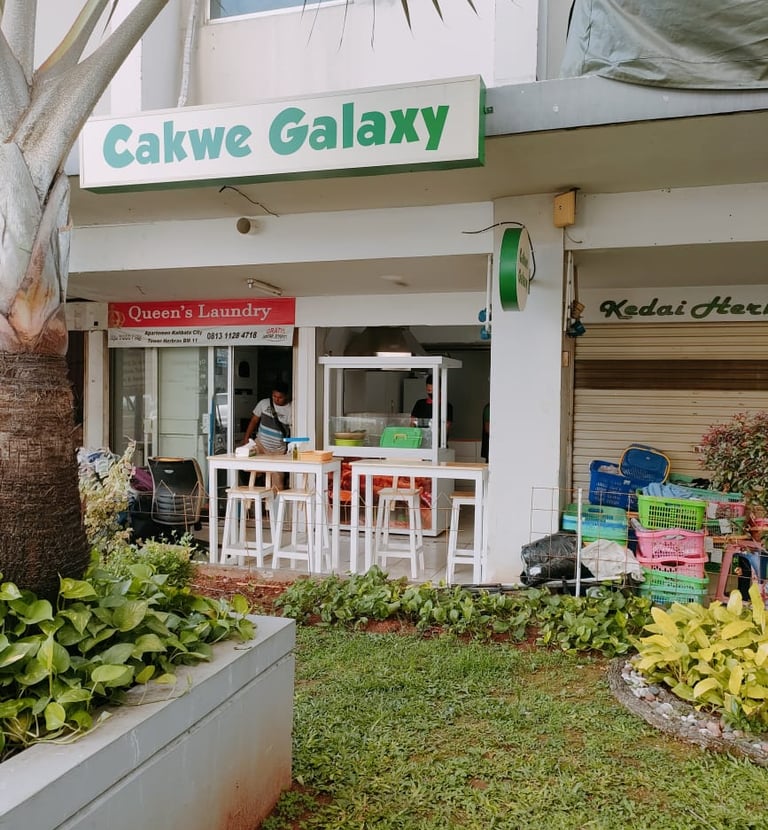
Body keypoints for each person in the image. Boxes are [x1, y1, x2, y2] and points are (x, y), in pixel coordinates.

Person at [243, 382, 292, 454]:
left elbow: (291, 431)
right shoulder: (263, 403)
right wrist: (246, 438)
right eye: (274, 396)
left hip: (278, 451)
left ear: (286, 396)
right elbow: (254, 421)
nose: (276, 399)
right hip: (259, 445)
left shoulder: (291, 409)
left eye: (280, 397)